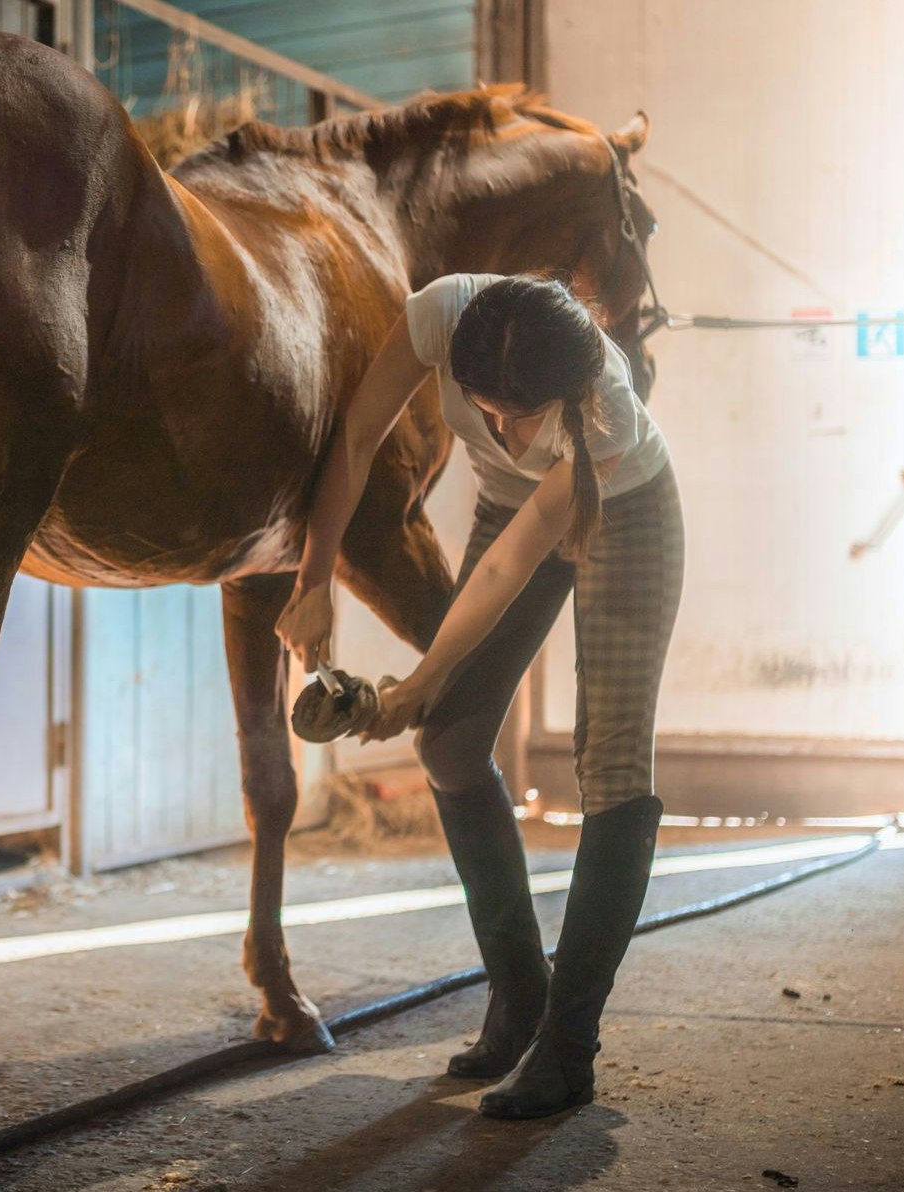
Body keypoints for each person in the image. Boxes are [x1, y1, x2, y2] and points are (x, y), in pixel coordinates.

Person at [276, 273, 683, 1119]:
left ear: (566, 393)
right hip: (511, 509)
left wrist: (422, 680)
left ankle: (567, 1049)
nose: (497, 429)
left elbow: (520, 557)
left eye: (518, 415)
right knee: (450, 746)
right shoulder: (441, 314)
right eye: (481, 407)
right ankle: (519, 996)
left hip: (626, 510)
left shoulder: (601, 408)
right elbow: (356, 441)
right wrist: (313, 577)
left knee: (608, 763)